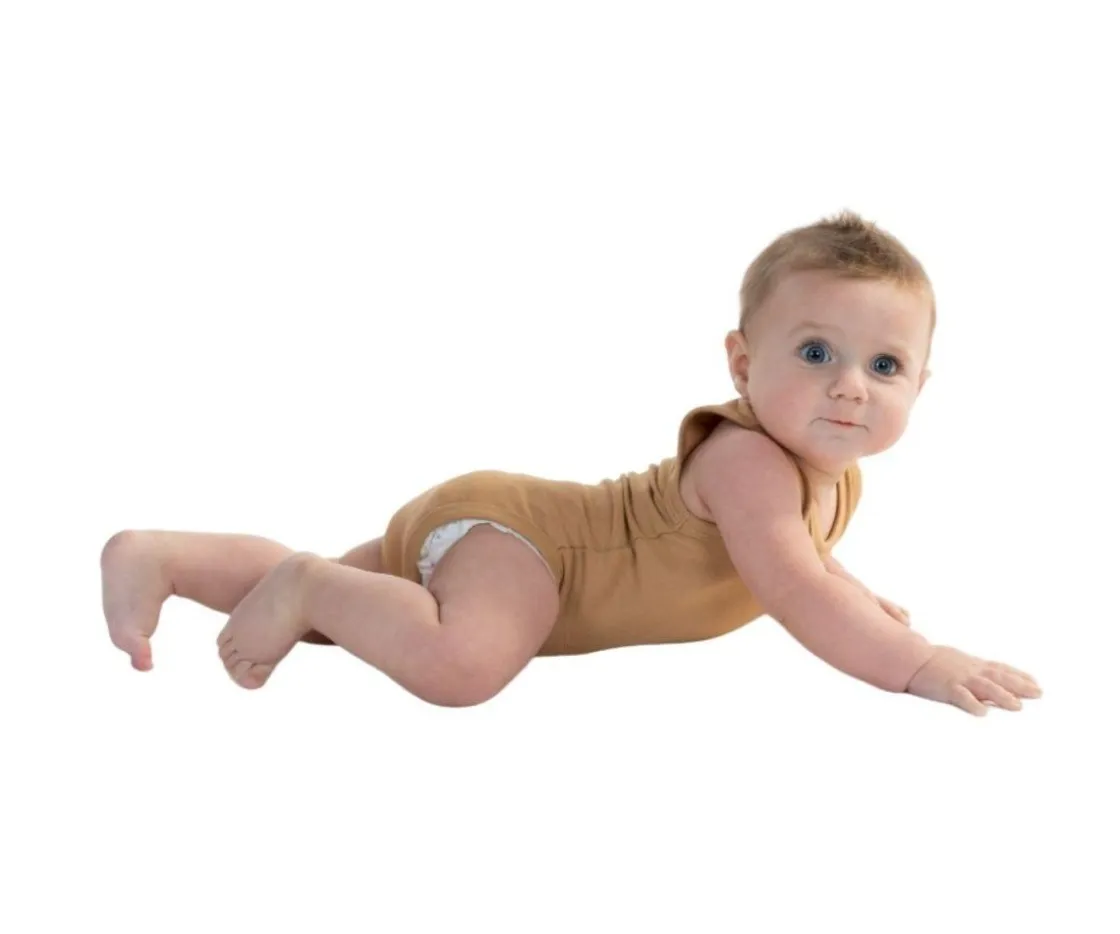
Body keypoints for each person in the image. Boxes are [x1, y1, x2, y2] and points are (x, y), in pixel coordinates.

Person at [100, 209, 1042, 716]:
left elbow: (807, 562)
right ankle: (304, 581)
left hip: (496, 528)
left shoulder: (831, 476)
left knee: (350, 621)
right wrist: (915, 662)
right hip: (525, 548)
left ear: (923, 383)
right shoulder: (749, 460)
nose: (850, 387)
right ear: (742, 364)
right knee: (461, 666)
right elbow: (794, 587)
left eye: (885, 367)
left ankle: (167, 557)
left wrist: (862, 596)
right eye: (816, 352)